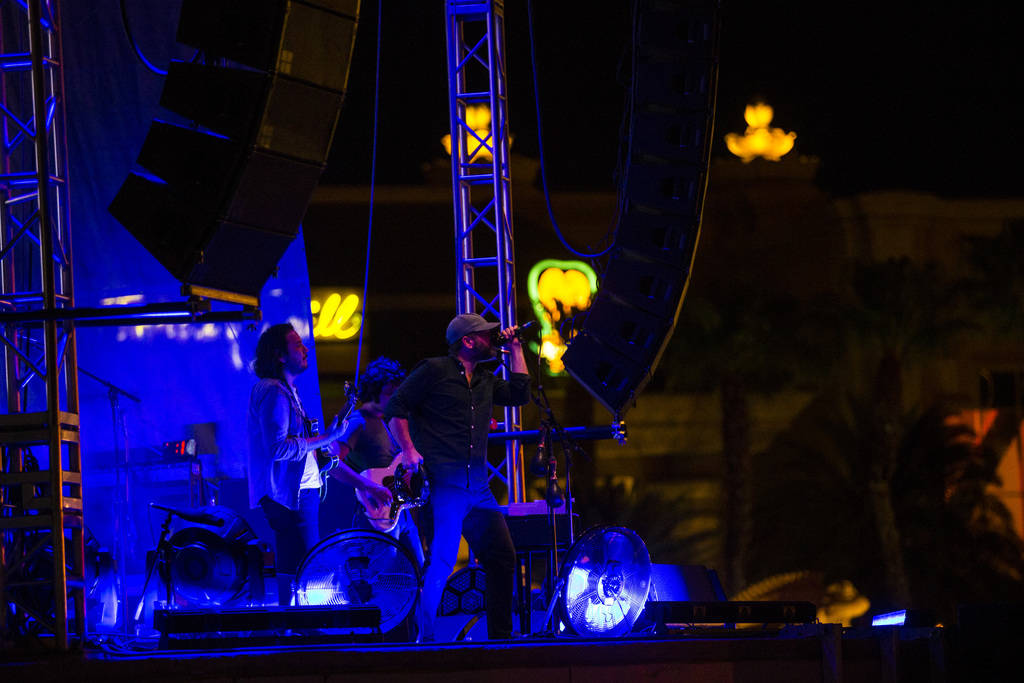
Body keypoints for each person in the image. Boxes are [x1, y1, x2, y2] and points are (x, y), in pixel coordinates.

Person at [385, 313, 530, 640]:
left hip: (478, 489)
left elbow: (521, 394)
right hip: (443, 486)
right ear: (467, 340)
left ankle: (501, 640)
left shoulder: (485, 380)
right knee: (442, 562)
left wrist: (517, 348)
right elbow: (394, 409)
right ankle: (426, 638)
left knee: (502, 557)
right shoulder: (434, 370)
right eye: (486, 335)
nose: (493, 340)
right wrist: (408, 450)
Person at [247, 323, 391, 606]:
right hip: (291, 496)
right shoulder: (274, 392)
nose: (305, 349)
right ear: (279, 355)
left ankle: (292, 631)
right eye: (297, 344)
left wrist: (362, 481)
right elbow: (278, 449)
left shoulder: (289, 392)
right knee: (306, 568)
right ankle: (300, 632)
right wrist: (328, 436)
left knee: (295, 567)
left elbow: (314, 454)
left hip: (299, 494)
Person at [333, 357, 425, 569]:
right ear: (373, 391)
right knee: (382, 577)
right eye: (389, 393)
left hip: (402, 511)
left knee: (417, 573)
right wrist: (369, 486)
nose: (395, 399)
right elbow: (333, 465)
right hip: (375, 513)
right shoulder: (357, 422)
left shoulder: (392, 421)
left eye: (397, 393)